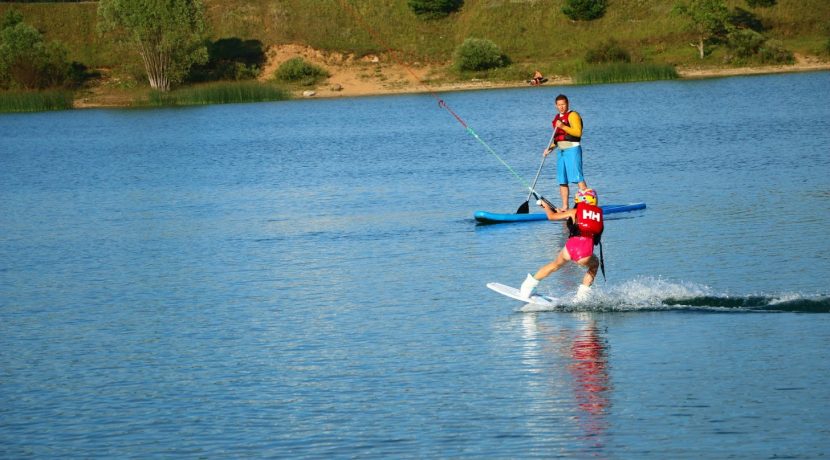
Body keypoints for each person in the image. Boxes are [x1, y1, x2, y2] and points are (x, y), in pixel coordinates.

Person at [520, 188, 603, 303]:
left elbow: (551, 217)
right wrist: (561, 213)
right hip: (584, 253)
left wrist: (545, 206)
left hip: (569, 248)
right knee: (594, 265)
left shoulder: (573, 212)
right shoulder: (597, 216)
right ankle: (582, 297)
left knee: (554, 265)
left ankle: (527, 287)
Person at [543, 94, 588, 210]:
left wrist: (562, 126)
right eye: (559, 105)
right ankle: (565, 207)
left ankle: (587, 205)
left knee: (578, 178)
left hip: (573, 149)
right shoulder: (557, 118)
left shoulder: (573, 115)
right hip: (561, 151)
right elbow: (558, 139)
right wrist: (550, 149)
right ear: (556, 106)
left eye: (563, 104)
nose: (561, 107)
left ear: (568, 103)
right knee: (562, 180)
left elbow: (578, 133)